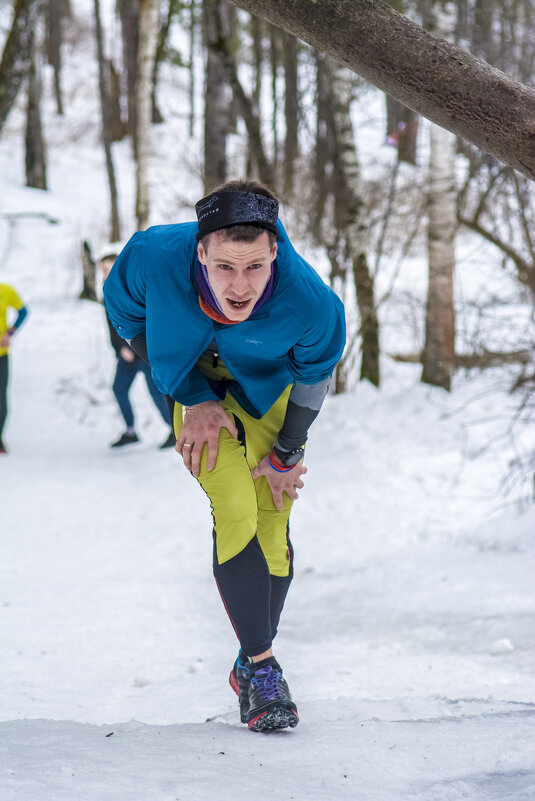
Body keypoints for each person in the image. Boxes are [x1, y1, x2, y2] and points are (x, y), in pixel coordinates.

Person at [103, 180, 345, 731]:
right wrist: (192, 396)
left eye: (255, 267)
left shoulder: (309, 301)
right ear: (201, 252)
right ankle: (263, 670)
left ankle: (247, 662)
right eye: (225, 267)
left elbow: (314, 376)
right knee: (234, 502)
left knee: (273, 515)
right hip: (195, 386)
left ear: (275, 252)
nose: (240, 286)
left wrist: (287, 453)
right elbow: (125, 317)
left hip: (267, 393)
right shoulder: (151, 257)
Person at [99, 255, 175, 449]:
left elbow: (141, 320)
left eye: (108, 269)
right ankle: (131, 432)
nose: (104, 274)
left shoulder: (129, 288)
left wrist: (130, 346)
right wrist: (120, 349)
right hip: (125, 356)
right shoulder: (107, 291)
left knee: (156, 393)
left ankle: (175, 431)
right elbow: (113, 326)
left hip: (143, 353)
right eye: (102, 270)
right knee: (119, 389)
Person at [0, 283, 29, 455]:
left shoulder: (5, 290)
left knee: (1, 399)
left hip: (1, 354)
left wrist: (9, 333)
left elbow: (23, 312)